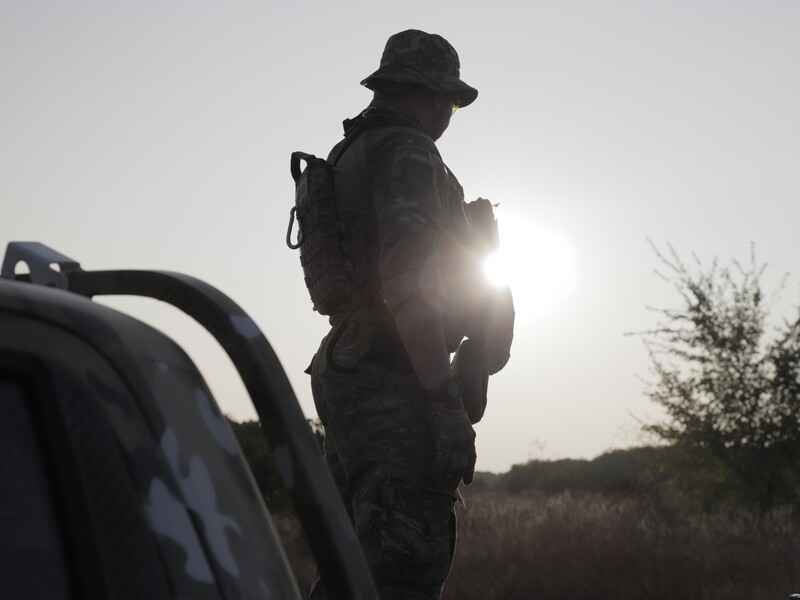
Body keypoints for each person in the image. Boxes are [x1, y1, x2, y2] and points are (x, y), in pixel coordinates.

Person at [307, 29, 485, 600]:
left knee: (350, 571)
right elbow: (410, 284)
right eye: (452, 103)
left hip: (350, 366)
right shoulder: (406, 150)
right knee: (401, 573)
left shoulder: (351, 149)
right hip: (392, 378)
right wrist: (443, 399)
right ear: (433, 95)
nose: (450, 115)